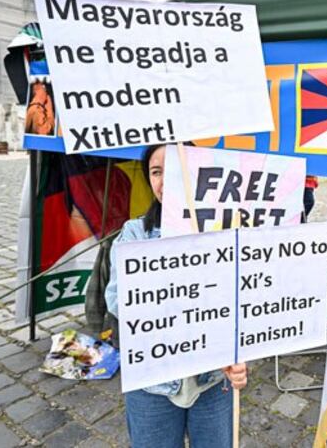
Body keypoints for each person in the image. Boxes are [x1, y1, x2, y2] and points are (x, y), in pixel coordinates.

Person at [105, 144, 247, 448]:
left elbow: (243, 301)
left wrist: (238, 354)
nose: (165, 180)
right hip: (151, 384)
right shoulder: (134, 234)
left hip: (212, 380)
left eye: (176, 170)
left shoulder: (225, 233)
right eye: (156, 172)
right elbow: (118, 301)